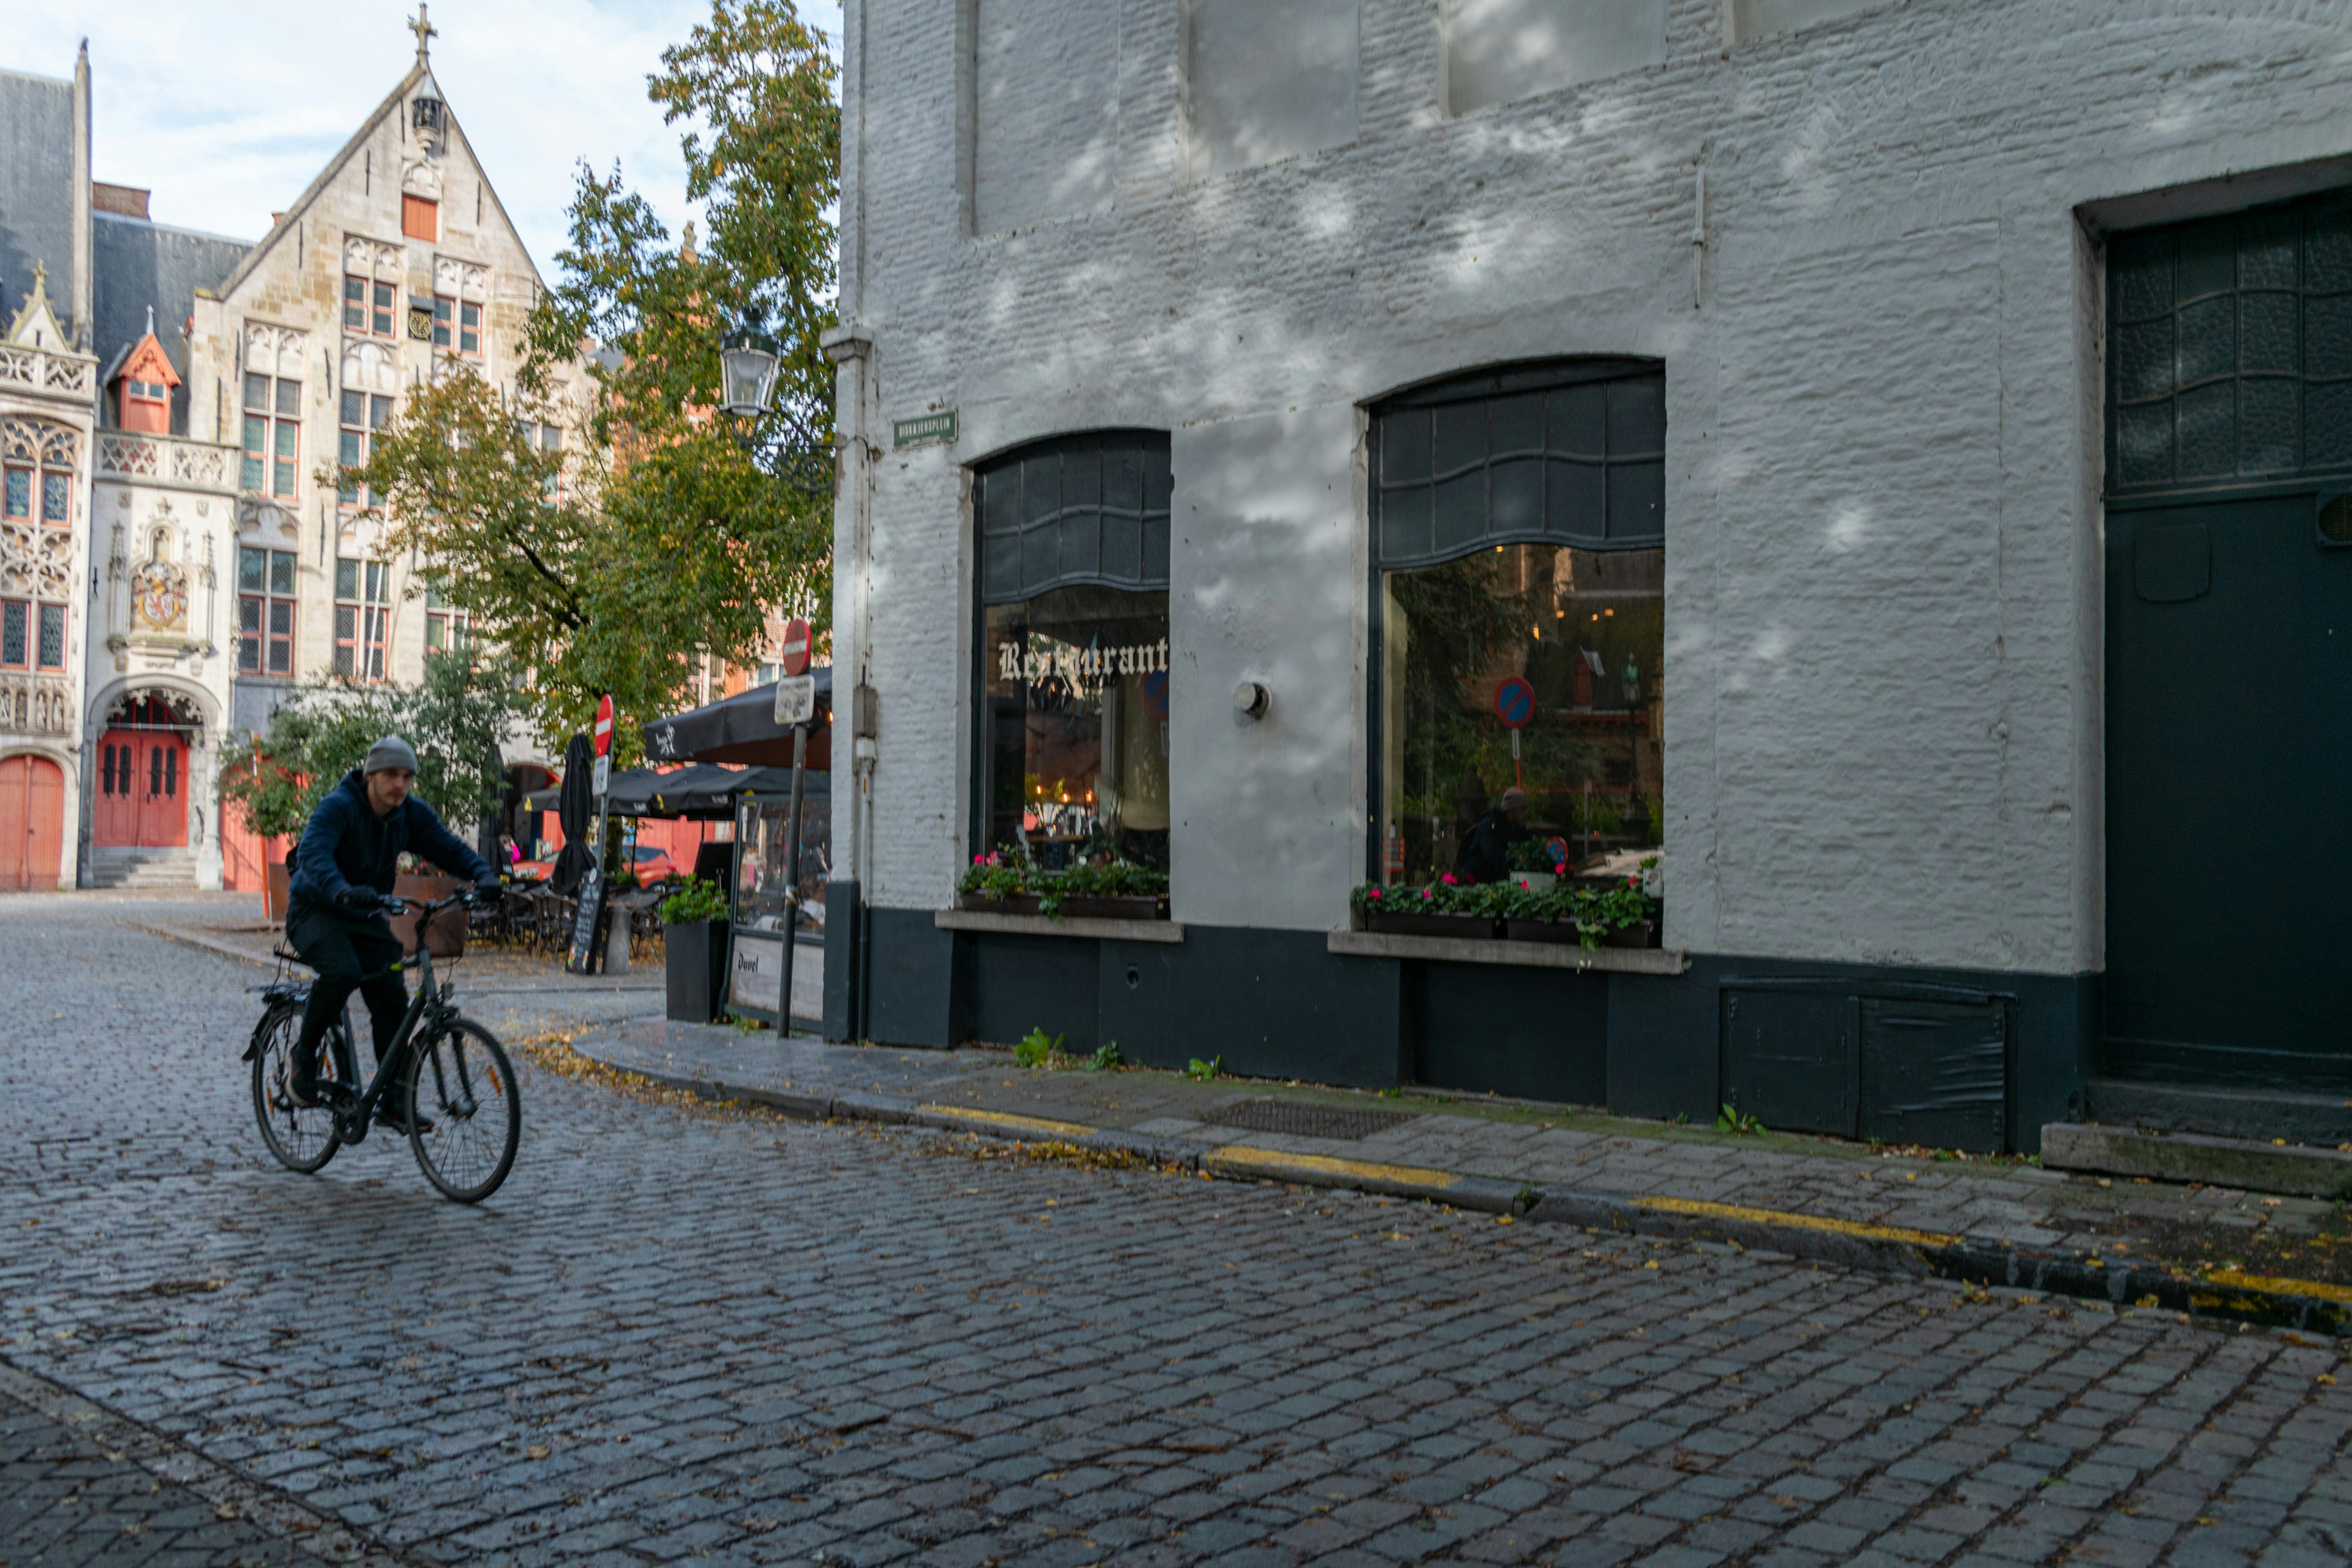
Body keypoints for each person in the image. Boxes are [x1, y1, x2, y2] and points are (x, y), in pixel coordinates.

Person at [284, 737, 499, 1124]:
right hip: (315, 909)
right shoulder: (340, 806)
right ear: (370, 775)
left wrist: (482, 873)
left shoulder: (409, 815)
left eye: (406, 776)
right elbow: (313, 854)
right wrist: (341, 889)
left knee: (393, 997)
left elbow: (448, 848)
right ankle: (303, 1057)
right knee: (343, 971)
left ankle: (394, 1100)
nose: (399, 784)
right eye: (390, 775)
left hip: (366, 915)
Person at [1454, 785, 1532, 884]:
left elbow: (1528, 847)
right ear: (1511, 810)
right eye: (1522, 809)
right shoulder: (1489, 826)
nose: (1525, 814)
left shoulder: (1517, 829)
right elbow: (1495, 857)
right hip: (1479, 881)